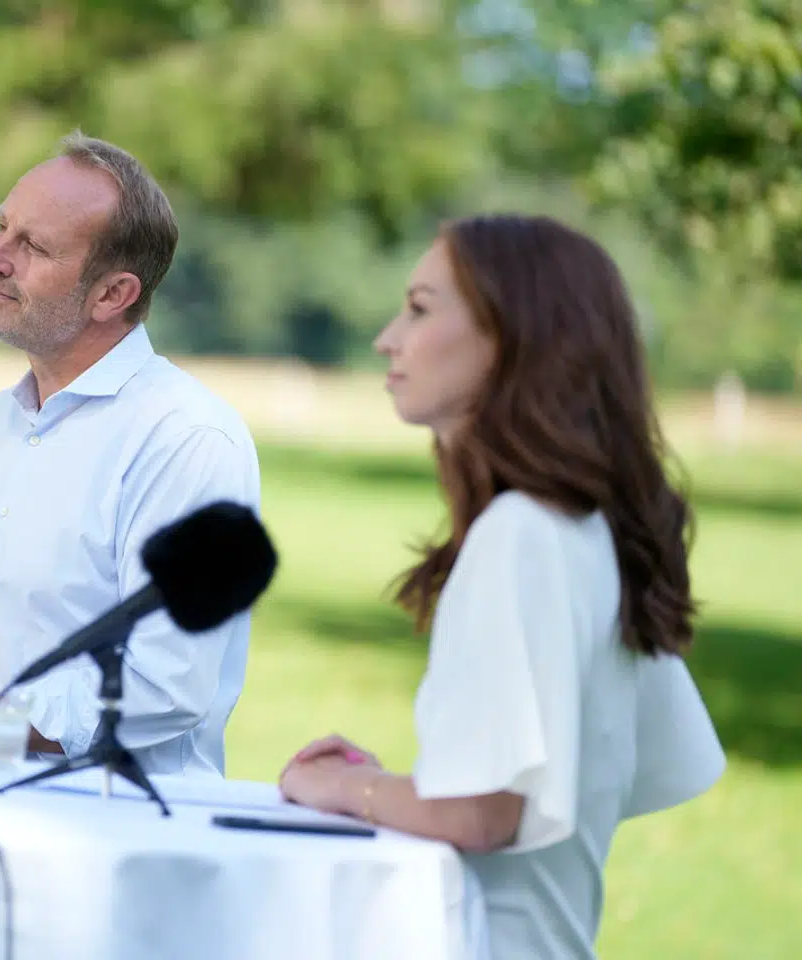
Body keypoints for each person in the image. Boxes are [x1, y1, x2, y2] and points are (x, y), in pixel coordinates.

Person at [278, 214, 725, 958]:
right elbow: (569, 781)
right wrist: (405, 789)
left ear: (513, 336)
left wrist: (340, 790)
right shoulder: (589, 531)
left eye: (420, 309)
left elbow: (486, 813)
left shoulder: (521, 533)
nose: (388, 338)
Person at [0, 133, 261, 777]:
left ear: (112, 295)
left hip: (110, 835)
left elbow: (164, 687)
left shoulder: (186, 439)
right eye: (3, 227)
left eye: (32, 246)